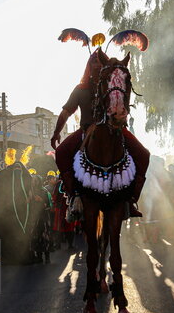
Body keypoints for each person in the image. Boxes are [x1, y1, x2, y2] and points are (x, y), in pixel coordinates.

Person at [50, 49, 150, 217]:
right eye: (93, 62)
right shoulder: (80, 90)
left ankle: (130, 200)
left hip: (116, 129)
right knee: (60, 153)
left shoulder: (113, 83)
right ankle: (74, 196)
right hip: (86, 131)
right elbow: (66, 112)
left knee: (144, 154)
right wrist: (56, 132)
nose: (96, 65)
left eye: (99, 61)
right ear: (89, 66)